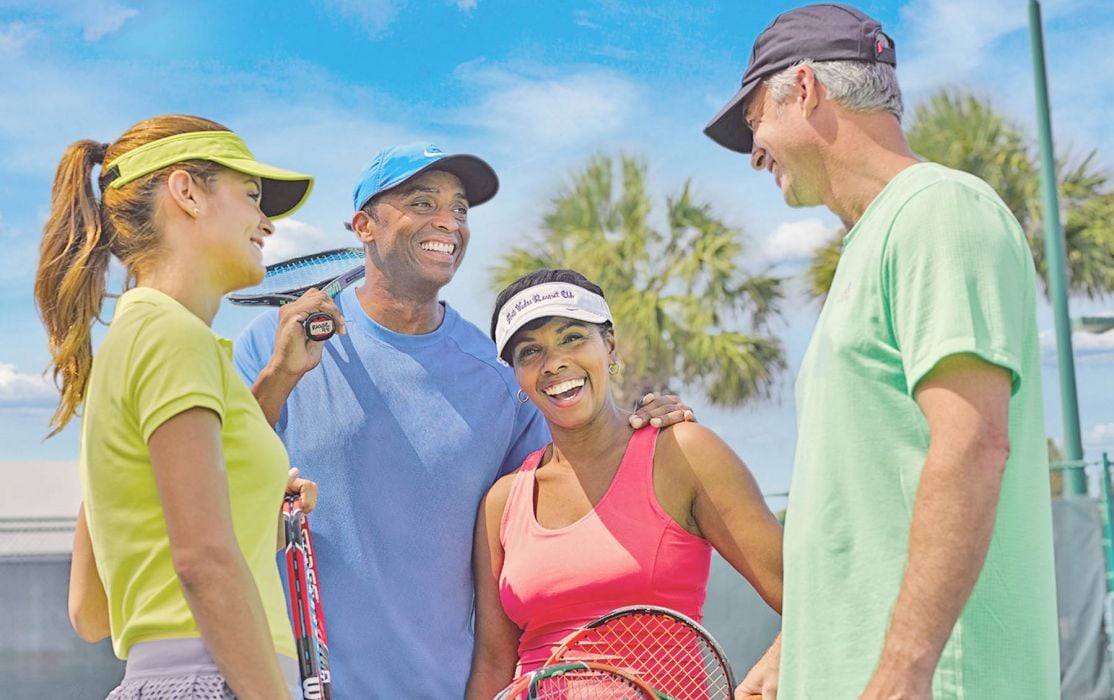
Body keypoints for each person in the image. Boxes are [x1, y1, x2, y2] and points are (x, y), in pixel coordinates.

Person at [233, 144, 692, 698]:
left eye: (460, 209)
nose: (448, 222)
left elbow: (567, 490)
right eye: (422, 203)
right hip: (280, 685)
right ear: (364, 226)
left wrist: (638, 427)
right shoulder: (272, 344)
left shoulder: (500, 380)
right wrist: (280, 374)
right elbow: (217, 482)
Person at [703, 5, 1059, 699]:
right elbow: (867, 510)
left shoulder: (939, 209)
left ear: (805, 89)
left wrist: (903, 671)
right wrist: (794, 650)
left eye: (754, 121)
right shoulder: (875, 240)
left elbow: (972, 445)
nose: (754, 153)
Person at [34, 115, 319, 699]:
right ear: (186, 191)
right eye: (251, 196)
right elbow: (203, 563)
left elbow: (92, 610)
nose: (267, 222)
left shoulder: (135, 339)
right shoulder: (175, 337)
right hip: (216, 682)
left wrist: (256, 509)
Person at [464, 268, 784, 699]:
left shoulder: (683, 452)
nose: (553, 363)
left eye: (572, 337)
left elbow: (809, 593)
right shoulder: (502, 502)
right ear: (517, 376)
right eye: (530, 351)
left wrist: (770, 670)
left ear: (610, 346)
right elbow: (493, 665)